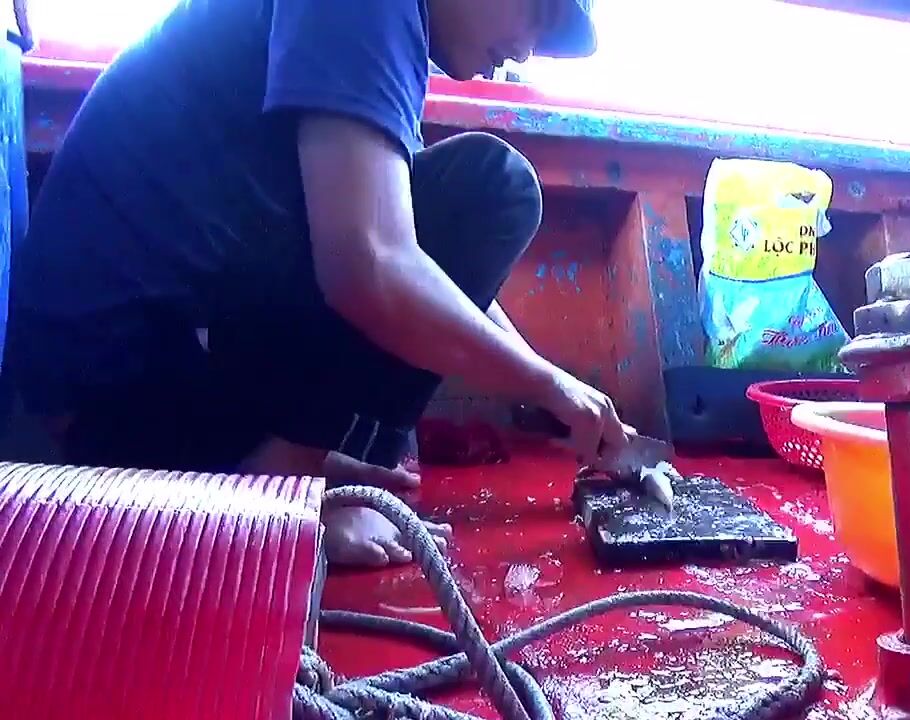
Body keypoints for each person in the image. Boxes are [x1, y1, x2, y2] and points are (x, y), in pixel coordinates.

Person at [6, 0, 631, 567]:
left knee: (462, 205)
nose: (525, 51)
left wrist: (557, 388)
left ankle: (272, 459)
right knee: (495, 187)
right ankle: (285, 484)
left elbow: (421, 260)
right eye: (537, 14)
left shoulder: (380, 30)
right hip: (111, 396)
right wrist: (547, 384)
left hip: (137, 378)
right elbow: (372, 268)